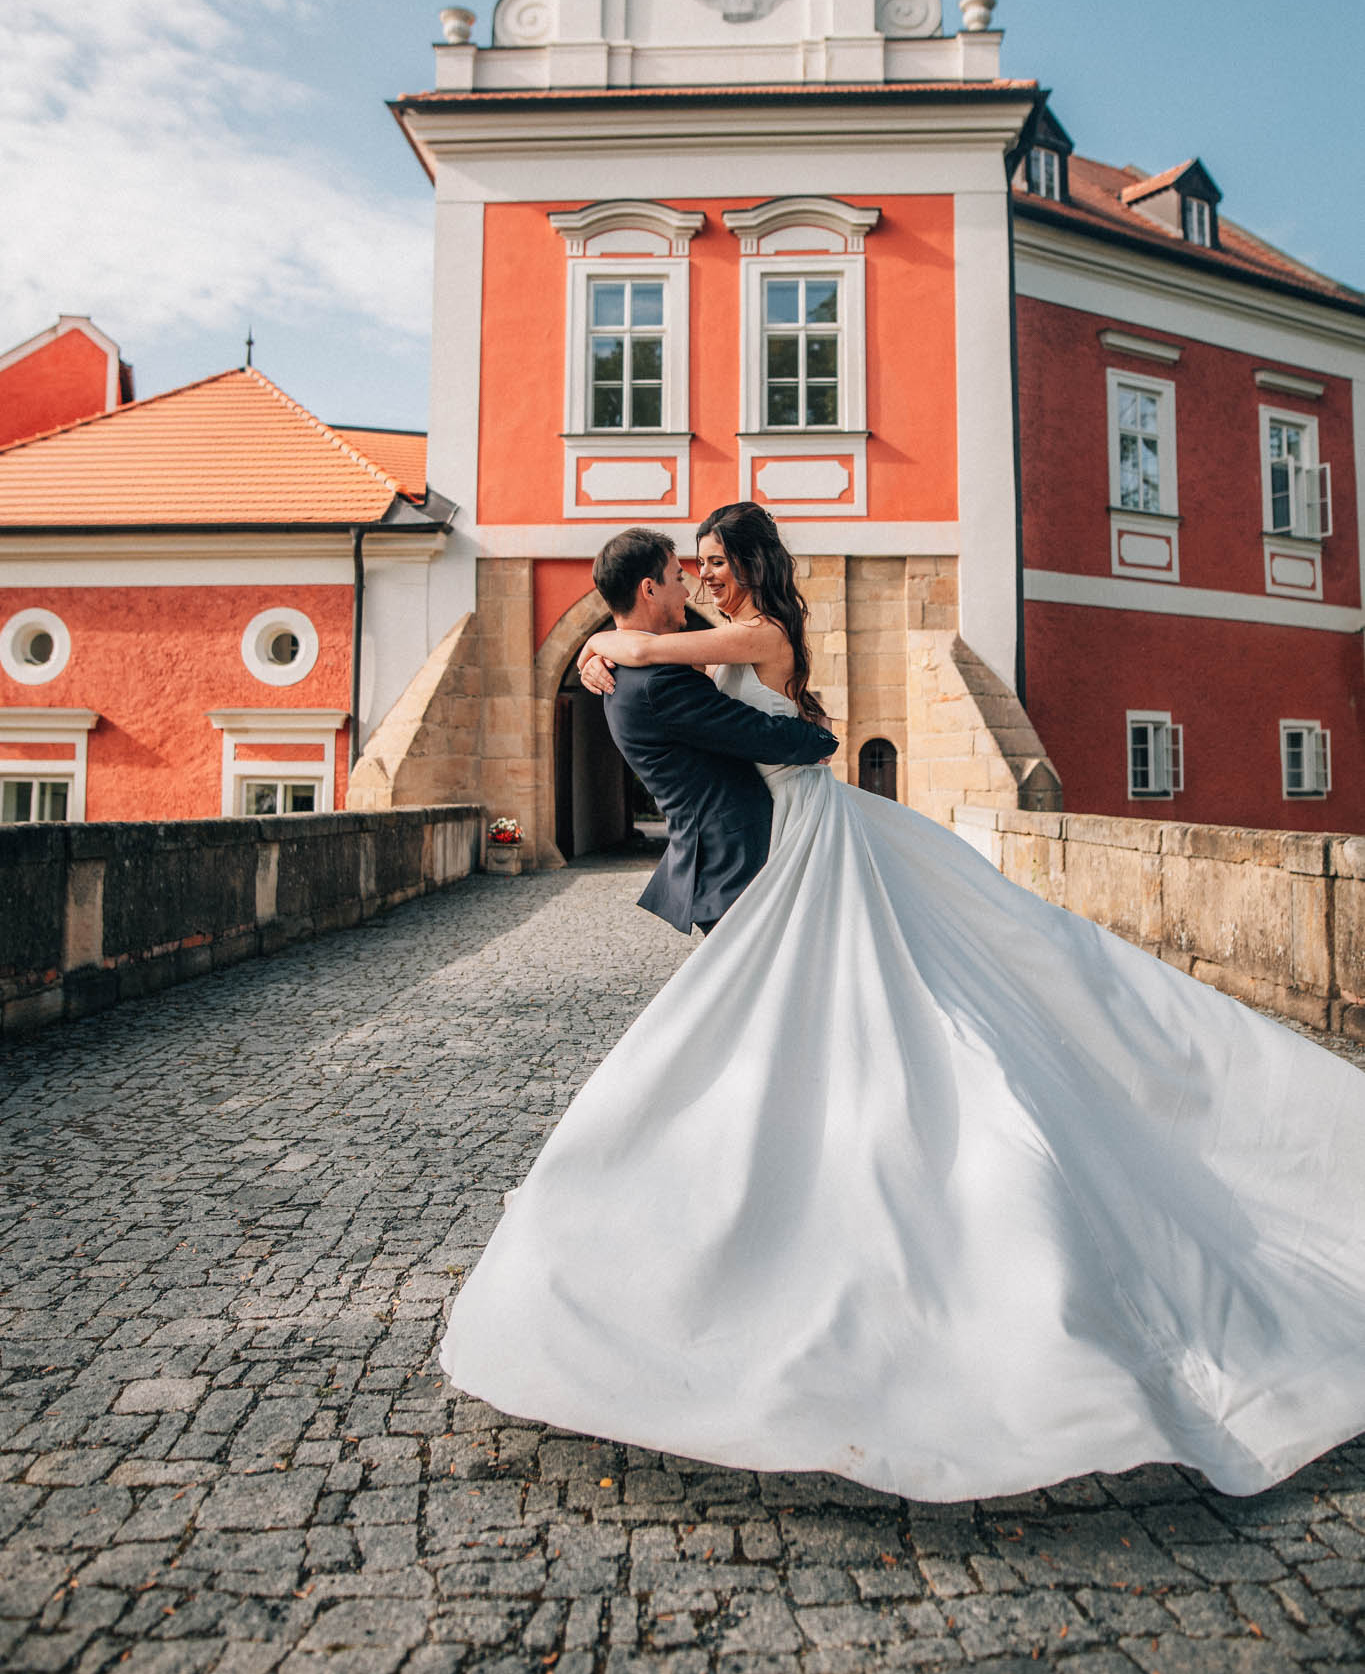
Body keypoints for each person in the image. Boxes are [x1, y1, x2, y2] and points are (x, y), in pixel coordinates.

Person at [441, 502, 1365, 1502]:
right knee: (857, 1020)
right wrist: (604, 654)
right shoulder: (690, 644)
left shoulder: (761, 634)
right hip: (790, 847)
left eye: (716, 559)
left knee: (922, 1006)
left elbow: (733, 695)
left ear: (746, 562)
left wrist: (607, 648)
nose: (705, 575)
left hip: (810, 840)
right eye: (692, 564)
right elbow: (659, 659)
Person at [584, 526, 838, 936]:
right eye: (680, 576)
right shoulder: (656, 681)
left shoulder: (633, 671)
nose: (691, 588)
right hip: (733, 856)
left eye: (714, 563)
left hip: (751, 842)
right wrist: (822, 739)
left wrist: (593, 647)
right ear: (649, 589)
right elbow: (751, 731)